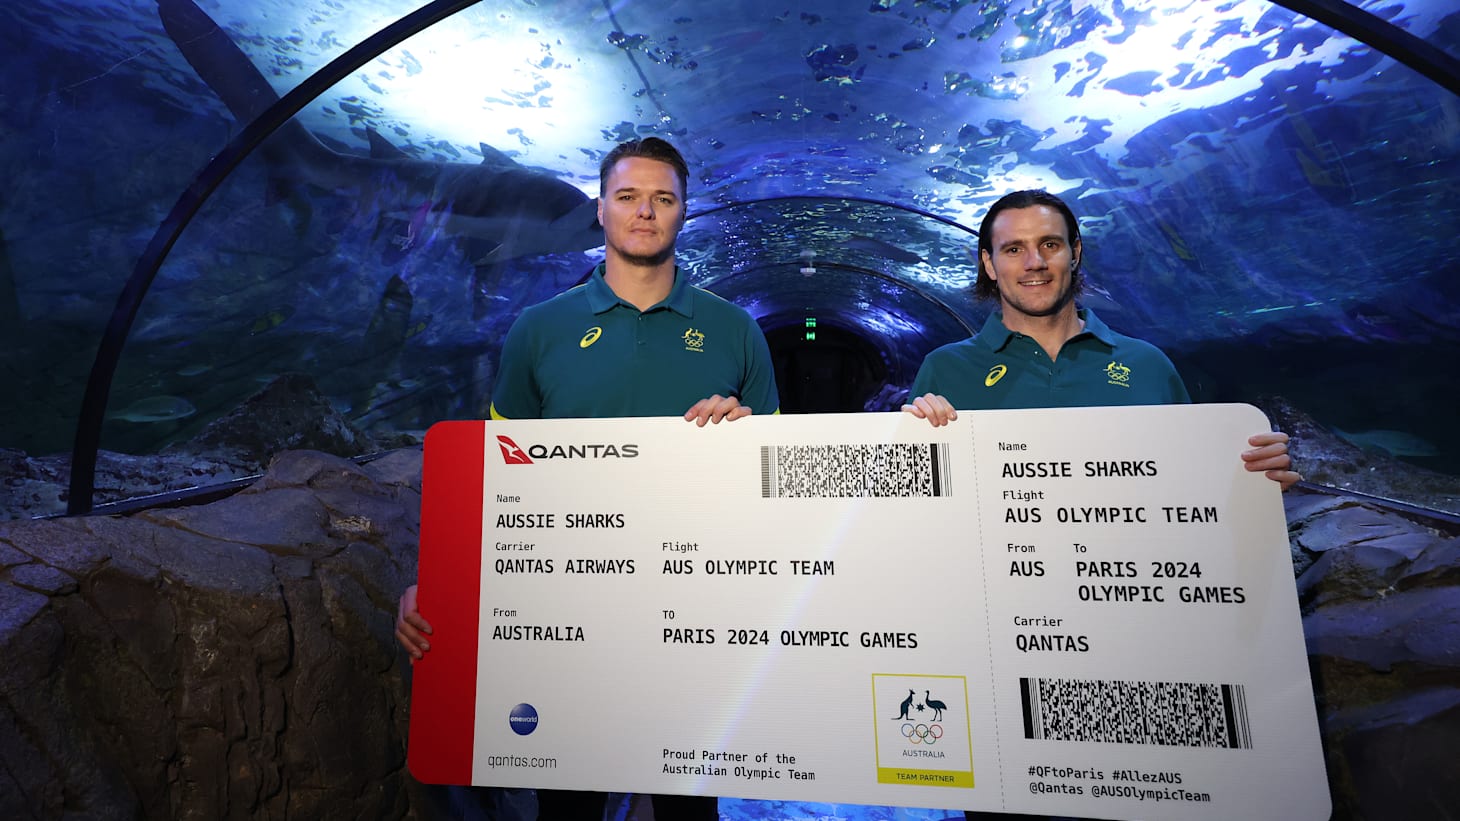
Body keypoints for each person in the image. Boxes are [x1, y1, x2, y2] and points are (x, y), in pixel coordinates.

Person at [396, 136, 776, 820]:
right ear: (600, 208)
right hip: (568, 615)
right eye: (627, 196)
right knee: (568, 806)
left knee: (690, 808)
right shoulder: (537, 329)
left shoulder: (736, 331)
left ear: (684, 212)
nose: (644, 212)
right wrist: (441, 586)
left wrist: (747, 440)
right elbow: (502, 479)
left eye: (662, 199)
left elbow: (777, 495)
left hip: (695, 615)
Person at [903, 188, 1298, 488]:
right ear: (989, 264)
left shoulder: (1147, 365)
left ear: (1074, 253)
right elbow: (920, 509)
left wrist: (1249, 482)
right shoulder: (946, 370)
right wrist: (912, 444)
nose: (1034, 263)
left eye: (1050, 245)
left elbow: (1191, 483)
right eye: (1013, 249)